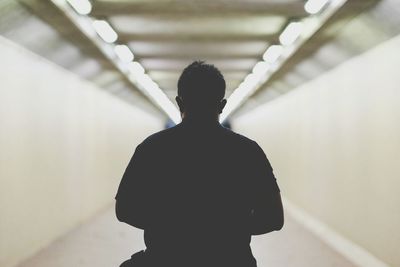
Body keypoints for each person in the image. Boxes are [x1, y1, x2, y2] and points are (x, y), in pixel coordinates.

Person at [115, 61, 284, 267]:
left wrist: (169, 226)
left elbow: (124, 209)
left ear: (179, 102)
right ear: (222, 105)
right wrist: (227, 229)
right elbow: (274, 218)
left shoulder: (151, 148)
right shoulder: (249, 151)